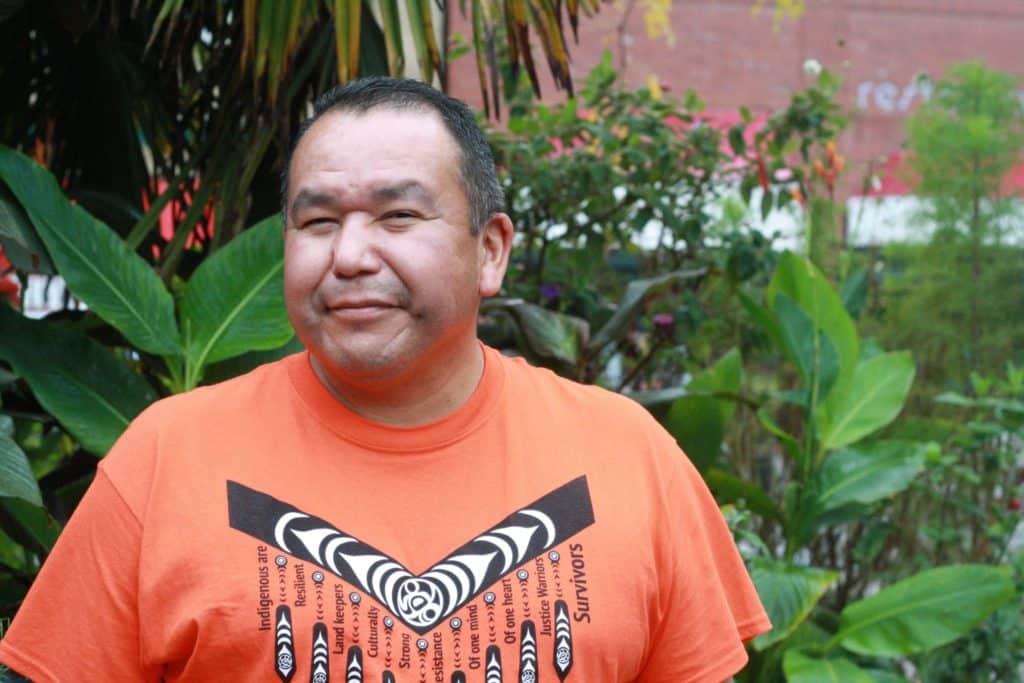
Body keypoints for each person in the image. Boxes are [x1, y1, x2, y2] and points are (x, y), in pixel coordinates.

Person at [0, 77, 769, 682]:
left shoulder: (627, 455)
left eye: (398, 216)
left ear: (491, 250)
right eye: (319, 221)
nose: (350, 256)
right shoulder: (165, 457)